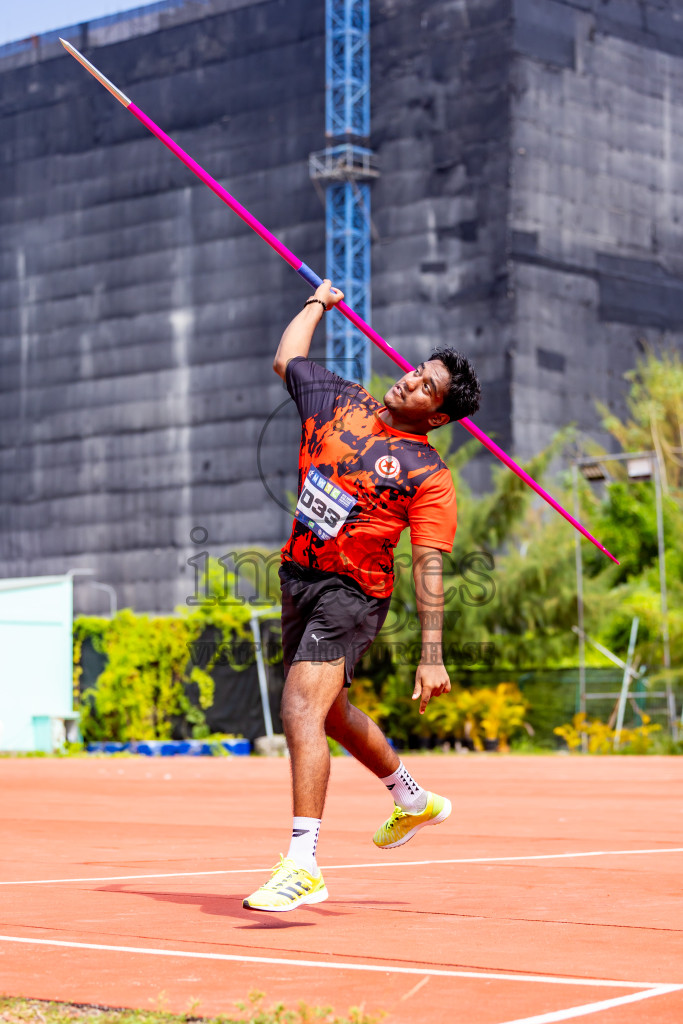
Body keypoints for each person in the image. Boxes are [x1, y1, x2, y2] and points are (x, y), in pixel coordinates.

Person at [243, 280, 481, 912]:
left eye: (427, 387)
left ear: (435, 416)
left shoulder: (428, 475)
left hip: (353, 592)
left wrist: (432, 654)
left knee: (299, 708)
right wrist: (317, 303)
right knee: (331, 714)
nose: (410, 381)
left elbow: (429, 563)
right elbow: (285, 358)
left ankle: (303, 863)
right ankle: (411, 797)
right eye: (417, 371)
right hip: (298, 577)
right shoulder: (339, 399)